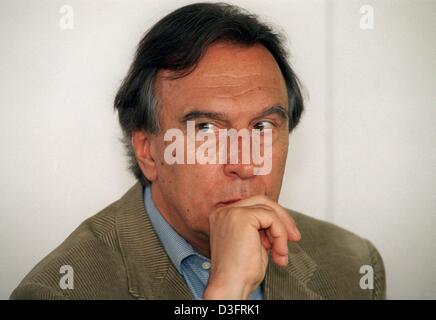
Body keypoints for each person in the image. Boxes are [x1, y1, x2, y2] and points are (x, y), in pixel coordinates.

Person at [11, 2, 385, 300]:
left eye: (262, 127)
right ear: (148, 151)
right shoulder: (59, 291)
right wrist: (226, 296)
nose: (244, 164)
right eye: (206, 130)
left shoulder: (353, 266)